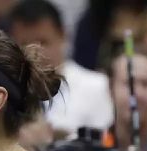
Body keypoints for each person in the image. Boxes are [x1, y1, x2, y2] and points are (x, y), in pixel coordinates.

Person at [9, 0, 113, 139]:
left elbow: (103, 144)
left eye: (43, 42)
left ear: (63, 35)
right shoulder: (6, 89)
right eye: (25, 44)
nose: (35, 52)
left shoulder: (96, 85)